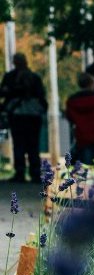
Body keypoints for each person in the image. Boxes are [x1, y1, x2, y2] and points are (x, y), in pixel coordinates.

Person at [0, 53, 45, 182]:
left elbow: (3, 93)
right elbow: (41, 95)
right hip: (33, 114)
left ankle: (20, 172)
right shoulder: (35, 78)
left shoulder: (9, 78)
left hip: (16, 114)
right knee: (33, 144)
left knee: (18, 144)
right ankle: (35, 172)